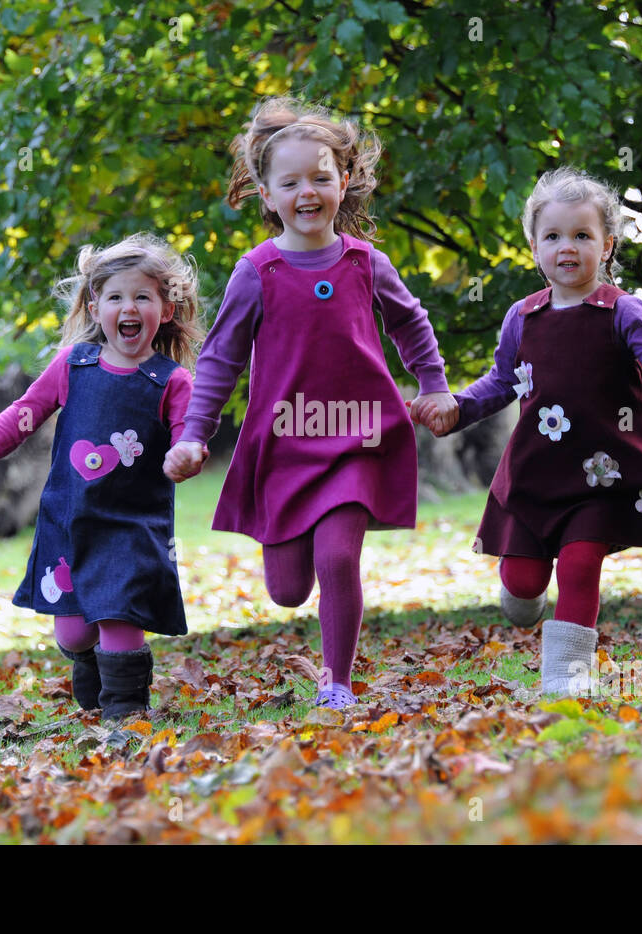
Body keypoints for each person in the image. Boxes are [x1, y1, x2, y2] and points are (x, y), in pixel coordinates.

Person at [164, 97, 457, 709]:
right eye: (290, 181)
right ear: (267, 196)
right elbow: (220, 358)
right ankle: (316, 637)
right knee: (289, 590)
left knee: (338, 555)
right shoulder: (258, 272)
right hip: (285, 444)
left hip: (358, 436)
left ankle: (338, 682)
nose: (307, 191)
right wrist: (195, 433)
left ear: (343, 183)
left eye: (321, 177)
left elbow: (411, 323)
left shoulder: (365, 261)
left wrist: (432, 385)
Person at [435, 166, 642, 695]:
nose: (567, 248)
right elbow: (501, 382)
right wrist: (457, 408)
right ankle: (526, 597)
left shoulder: (624, 312)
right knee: (522, 584)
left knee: (581, 565)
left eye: (582, 236)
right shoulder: (523, 317)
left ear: (607, 246)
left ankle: (566, 683)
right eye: (553, 236)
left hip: (600, 476)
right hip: (535, 474)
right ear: (534, 247)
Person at [0, 233, 202, 721]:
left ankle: (126, 715)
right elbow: (20, 417)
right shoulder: (72, 367)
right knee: (75, 631)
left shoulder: (171, 381)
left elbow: (190, 432)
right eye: (116, 297)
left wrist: (187, 453)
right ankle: (87, 665)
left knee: (121, 617)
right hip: (71, 525)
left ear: (166, 308)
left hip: (133, 529)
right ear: (95, 308)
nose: (129, 307)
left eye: (143, 296)